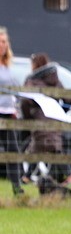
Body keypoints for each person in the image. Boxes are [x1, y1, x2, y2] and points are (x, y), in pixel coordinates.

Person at [19, 53, 71, 194]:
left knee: (36, 147)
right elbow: (68, 98)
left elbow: (24, 101)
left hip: (39, 119)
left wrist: (28, 117)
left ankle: (27, 176)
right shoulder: (55, 80)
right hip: (55, 119)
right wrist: (61, 112)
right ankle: (69, 176)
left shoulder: (32, 81)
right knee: (56, 147)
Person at [0, 26, 25, 195]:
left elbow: (14, 90)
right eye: (0, 42)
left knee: (13, 151)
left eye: (4, 41)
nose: (2, 45)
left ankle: (18, 189)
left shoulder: (8, 66)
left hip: (9, 113)